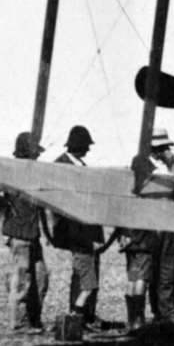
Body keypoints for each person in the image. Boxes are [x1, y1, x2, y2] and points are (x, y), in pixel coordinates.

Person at [0, 131, 48, 333]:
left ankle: (33, 321)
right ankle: (20, 323)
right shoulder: (10, 171)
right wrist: (7, 210)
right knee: (23, 279)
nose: (37, 156)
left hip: (31, 234)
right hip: (19, 235)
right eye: (35, 152)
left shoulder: (32, 173)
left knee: (41, 277)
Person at [51, 124, 106, 331]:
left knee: (87, 275)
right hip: (76, 232)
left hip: (87, 231)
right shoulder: (61, 166)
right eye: (86, 145)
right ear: (79, 146)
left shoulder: (79, 166)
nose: (88, 150)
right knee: (83, 276)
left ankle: (86, 315)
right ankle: (79, 317)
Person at [148, 127, 174, 328]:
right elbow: (171, 189)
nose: (167, 151)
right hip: (158, 225)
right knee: (165, 272)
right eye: (163, 147)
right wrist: (172, 165)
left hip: (167, 224)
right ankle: (167, 315)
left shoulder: (163, 166)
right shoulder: (150, 166)